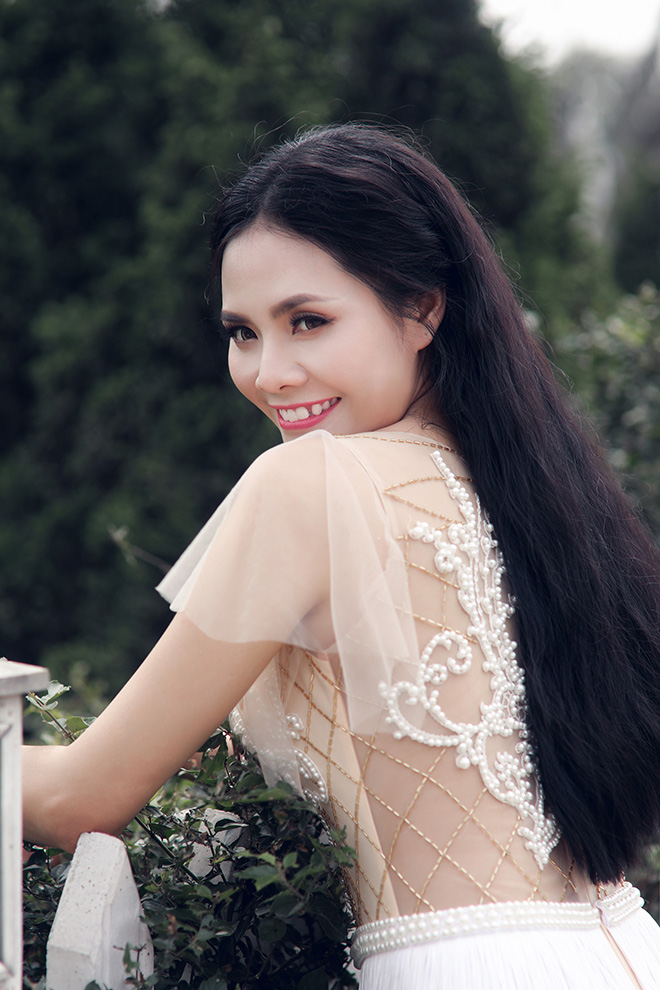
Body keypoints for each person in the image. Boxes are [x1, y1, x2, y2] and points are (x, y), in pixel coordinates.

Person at [23, 123, 660, 988]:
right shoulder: (541, 493)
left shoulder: (311, 483)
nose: (270, 372)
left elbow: (81, 798)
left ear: (424, 307)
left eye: (308, 321)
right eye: (242, 332)